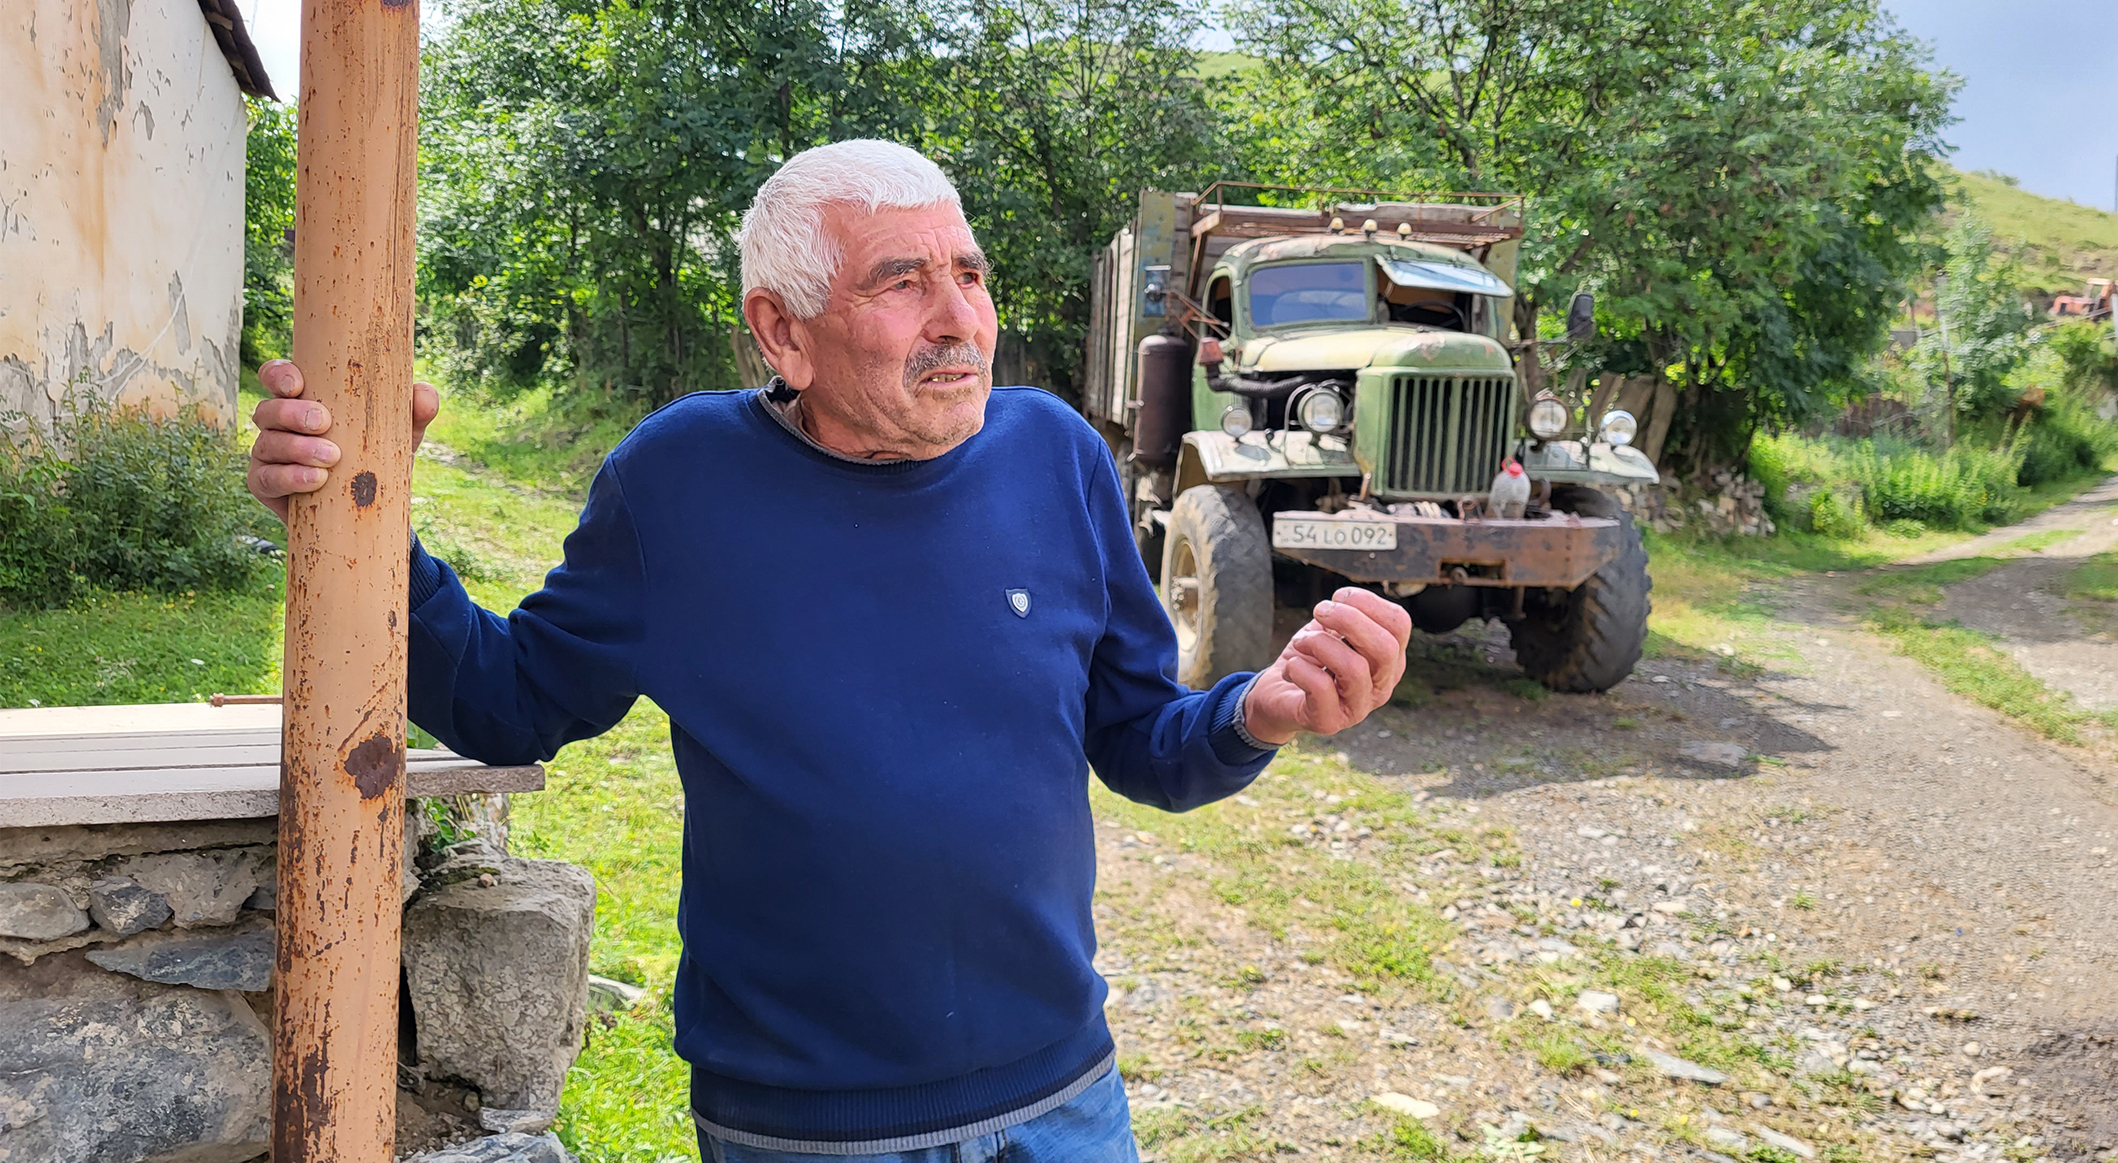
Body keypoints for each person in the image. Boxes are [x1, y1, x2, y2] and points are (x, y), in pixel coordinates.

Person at [246, 139, 1410, 1162]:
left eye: (968, 273)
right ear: (782, 331)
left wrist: (1259, 709)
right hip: (807, 1124)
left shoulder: (1055, 456)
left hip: (1064, 1099)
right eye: (901, 282)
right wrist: (363, 524)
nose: (959, 318)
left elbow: (1143, 735)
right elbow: (508, 701)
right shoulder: (681, 483)